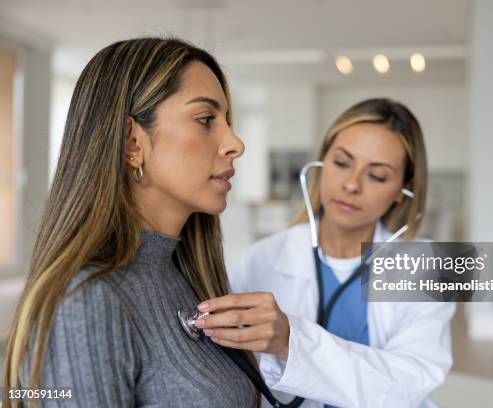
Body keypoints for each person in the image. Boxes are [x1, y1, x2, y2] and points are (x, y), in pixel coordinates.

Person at [2, 37, 258, 407]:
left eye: (376, 174)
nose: (236, 143)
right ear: (132, 142)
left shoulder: (184, 276)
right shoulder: (86, 301)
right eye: (205, 120)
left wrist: (291, 342)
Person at [195, 98, 456, 407]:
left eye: (377, 175)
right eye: (342, 163)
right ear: (322, 163)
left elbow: (410, 384)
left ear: (404, 190)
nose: (351, 184)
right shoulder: (262, 260)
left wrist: (292, 342)